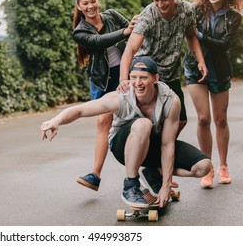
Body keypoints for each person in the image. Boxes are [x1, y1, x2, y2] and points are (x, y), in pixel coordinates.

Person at [41, 57, 212, 208]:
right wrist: (56, 120)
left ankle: (153, 170)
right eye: (133, 77)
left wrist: (166, 184)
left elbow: (167, 144)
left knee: (203, 167)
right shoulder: (120, 98)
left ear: (155, 79)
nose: (138, 83)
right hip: (122, 146)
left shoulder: (170, 100)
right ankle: (130, 185)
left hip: (153, 146)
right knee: (143, 124)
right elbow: (80, 110)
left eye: (143, 78)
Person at [118, 0, 208, 135]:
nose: (160, 5)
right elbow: (130, 48)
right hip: (147, 72)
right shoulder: (148, 15)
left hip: (171, 72)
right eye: (156, 0)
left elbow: (191, 36)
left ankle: (163, 148)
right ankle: (151, 149)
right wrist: (124, 79)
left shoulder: (186, 10)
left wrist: (200, 60)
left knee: (180, 120)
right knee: (151, 119)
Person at [183, 0, 243, 188]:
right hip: (194, 70)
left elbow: (223, 45)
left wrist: (200, 35)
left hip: (219, 71)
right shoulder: (195, 11)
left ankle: (224, 165)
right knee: (203, 119)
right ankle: (207, 168)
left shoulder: (234, 17)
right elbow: (187, 35)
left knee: (220, 119)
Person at [72, 0, 138, 191]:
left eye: (93, 1)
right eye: (85, 3)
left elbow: (133, 32)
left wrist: (134, 25)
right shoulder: (80, 31)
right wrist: (124, 32)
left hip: (124, 73)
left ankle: (154, 171)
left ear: (98, 0)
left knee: (138, 120)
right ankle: (95, 175)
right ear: (79, 6)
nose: (91, 6)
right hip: (101, 80)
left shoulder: (112, 16)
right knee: (103, 123)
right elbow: (99, 42)